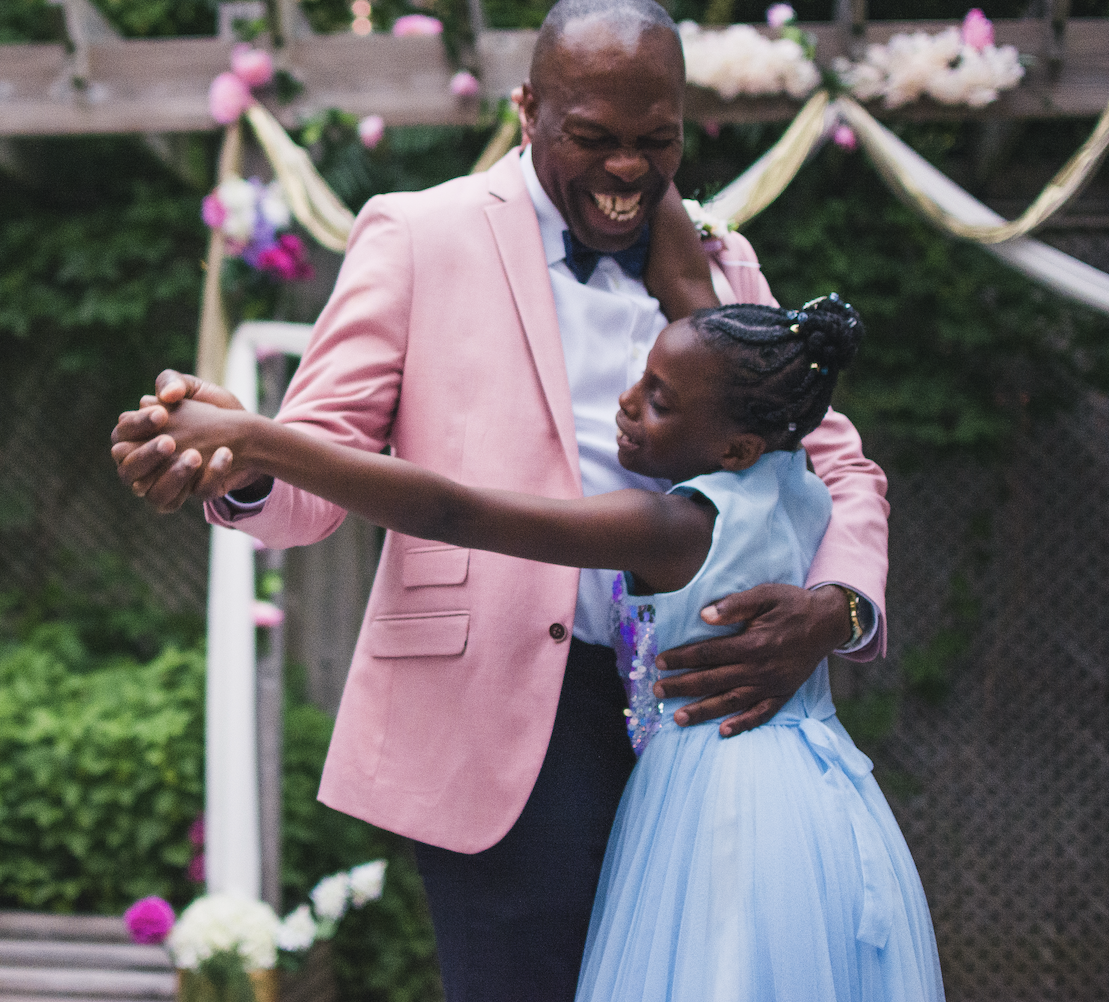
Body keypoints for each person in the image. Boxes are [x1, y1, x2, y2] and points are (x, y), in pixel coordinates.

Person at [112, 0, 890, 1002]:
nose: (627, 170)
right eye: (592, 136)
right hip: (502, 716)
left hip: (706, 717)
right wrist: (253, 462)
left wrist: (837, 610)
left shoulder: (720, 261)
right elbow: (319, 477)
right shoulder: (418, 235)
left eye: (655, 140)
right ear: (525, 111)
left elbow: (835, 462)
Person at [136, 296, 944, 1002]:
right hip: (818, 791)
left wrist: (258, 438)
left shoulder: (673, 525)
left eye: (658, 401)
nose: (626, 405)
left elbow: (458, 512)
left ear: (734, 447)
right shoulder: (796, 483)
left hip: (718, 798)